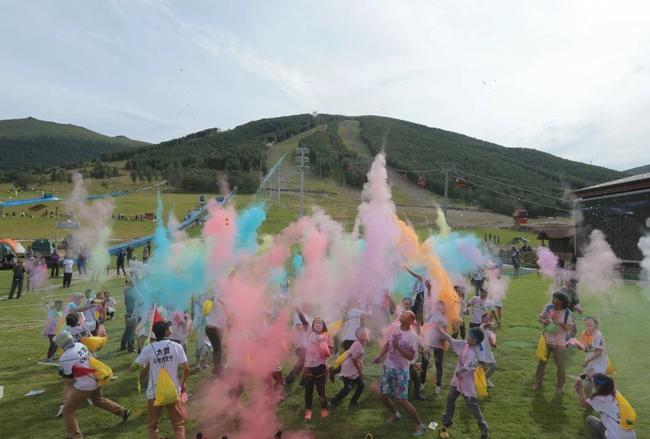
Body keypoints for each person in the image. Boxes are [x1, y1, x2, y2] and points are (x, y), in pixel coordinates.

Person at [56, 331, 131, 439]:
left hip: (85, 386)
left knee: (68, 410)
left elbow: (69, 379)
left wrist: (62, 371)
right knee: (98, 400)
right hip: (97, 378)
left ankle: (75, 436)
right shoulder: (79, 345)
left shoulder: (65, 357)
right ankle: (123, 411)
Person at [373, 310, 426, 437]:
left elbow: (411, 356)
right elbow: (387, 343)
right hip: (388, 367)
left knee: (402, 400)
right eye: (402, 314)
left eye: (405, 315)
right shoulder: (394, 328)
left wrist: (398, 347)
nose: (402, 315)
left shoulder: (412, 336)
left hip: (401, 371)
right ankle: (395, 414)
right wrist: (380, 356)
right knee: (383, 395)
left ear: (410, 321)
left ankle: (420, 424)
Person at [135, 320, 190, 439]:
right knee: (178, 425)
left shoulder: (148, 349)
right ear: (166, 332)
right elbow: (186, 368)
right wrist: (182, 384)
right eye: (168, 327)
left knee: (152, 426)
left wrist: (145, 368)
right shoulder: (176, 346)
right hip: (173, 391)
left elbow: (137, 370)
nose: (170, 328)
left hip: (154, 393)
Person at [438, 325, 489, 439]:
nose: (468, 337)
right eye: (469, 335)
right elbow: (451, 340)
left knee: (472, 405)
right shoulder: (465, 344)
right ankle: (448, 419)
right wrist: (440, 332)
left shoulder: (473, 354)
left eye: (471, 337)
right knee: (450, 398)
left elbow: (467, 368)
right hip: (457, 380)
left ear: (476, 341)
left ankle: (483, 426)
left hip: (466, 383)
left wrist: (458, 372)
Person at [533, 291, 575, 393]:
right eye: (554, 299)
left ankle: (560, 385)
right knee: (542, 362)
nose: (554, 302)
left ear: (562, 302)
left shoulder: (568, 313)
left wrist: (560, 324)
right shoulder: (548, 307)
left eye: (557, 301)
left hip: (559, 343)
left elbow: (569, 328)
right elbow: (540, 318)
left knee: (560, 365)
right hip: (546, 340)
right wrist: (544, 321)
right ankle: (538, 382)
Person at [574, 374, 636, 439]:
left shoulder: (600, 398)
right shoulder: (615, 392)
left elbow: (583, 403)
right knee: (604, 421)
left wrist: (580, 387)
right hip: (631, 436)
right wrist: (592, 379)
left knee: (590, 419)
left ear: (597, 386)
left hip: (615, 437)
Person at [301, 314, 331, 420]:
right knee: (308, 391)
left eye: (321, 323)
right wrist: (299, 311)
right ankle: (308, 411)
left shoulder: (325, 337)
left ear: (323, 326)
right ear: (313, 326)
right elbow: (319, 339)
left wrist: (327, 361)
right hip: (309, 367)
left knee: (321, 391)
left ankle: (324, 408)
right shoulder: (312, 335)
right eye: (316, 323)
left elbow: (328, 351)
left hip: (321, 367)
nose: (319, 324)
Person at [568, 316, 608, 396]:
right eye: (586, 325)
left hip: (598, 363)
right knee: (588, 381)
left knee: (596, 381)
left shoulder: (598, 335)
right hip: (590, 361)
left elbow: (599, 352)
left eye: (590, 325)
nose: (587, 327)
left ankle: (606, 395)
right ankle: (588, 399)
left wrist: (587, 360)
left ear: (596, 325)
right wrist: (578, 345)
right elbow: (586, 349)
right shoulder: (585, 334)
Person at [330, 327, 368, 409]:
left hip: (354, 368)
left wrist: (361, 365)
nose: (363, 336)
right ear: (357, 336)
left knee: (361, 385)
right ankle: (334, 400)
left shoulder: (362, 342)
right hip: (349, 368)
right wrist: (360, 371)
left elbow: (358, 357)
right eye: (361, 335)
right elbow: (354, 359)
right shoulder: (357, 344)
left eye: (364, 335)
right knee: (348, 388)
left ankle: (353, 402)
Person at [421, 300, 448, 395]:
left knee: (438, 365)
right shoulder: (431, 315)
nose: (439, 307)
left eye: (441, 306)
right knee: (424, 363)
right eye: (437, 305)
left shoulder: (444, 318)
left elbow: (445, 331)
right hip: (428, 343)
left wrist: (443, 340)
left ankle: (438, 385)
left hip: (438, 344)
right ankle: (422, 382)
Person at [285, 307, 309, 385]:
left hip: (304, 343)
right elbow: (299, 327)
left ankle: (292, 380)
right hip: (300, 342)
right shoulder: (297, 314)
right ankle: (290, 379)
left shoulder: (306, 315)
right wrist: (310, 329)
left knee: (303, 361)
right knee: (302, 361)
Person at [204, 293, 226, 376]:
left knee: (216, 349)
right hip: (213, 329)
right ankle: (218, 369)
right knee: (218, 349)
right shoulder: (220, 302)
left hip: (209, 328)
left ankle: (217, 368)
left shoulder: (213, 300)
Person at [478, 313, 497, 387]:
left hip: (488, 352)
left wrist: (493, 344)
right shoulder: (481, 327)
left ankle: (485, 378)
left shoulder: (490, 332)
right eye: (485, 318)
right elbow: (486, 325)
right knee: (482, 368)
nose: (486, 319)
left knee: (494, 366)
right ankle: (481, 382)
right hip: (481, 352)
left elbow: (493, 341)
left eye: (488, 318)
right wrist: (491, 322)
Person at [120, 280, 138, 352]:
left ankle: (123, 345)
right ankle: (130, 347)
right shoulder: (132, 291)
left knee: (127, 330)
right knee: (132, 331)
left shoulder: (126, 291)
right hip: (132, 313)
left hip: (128, 312)